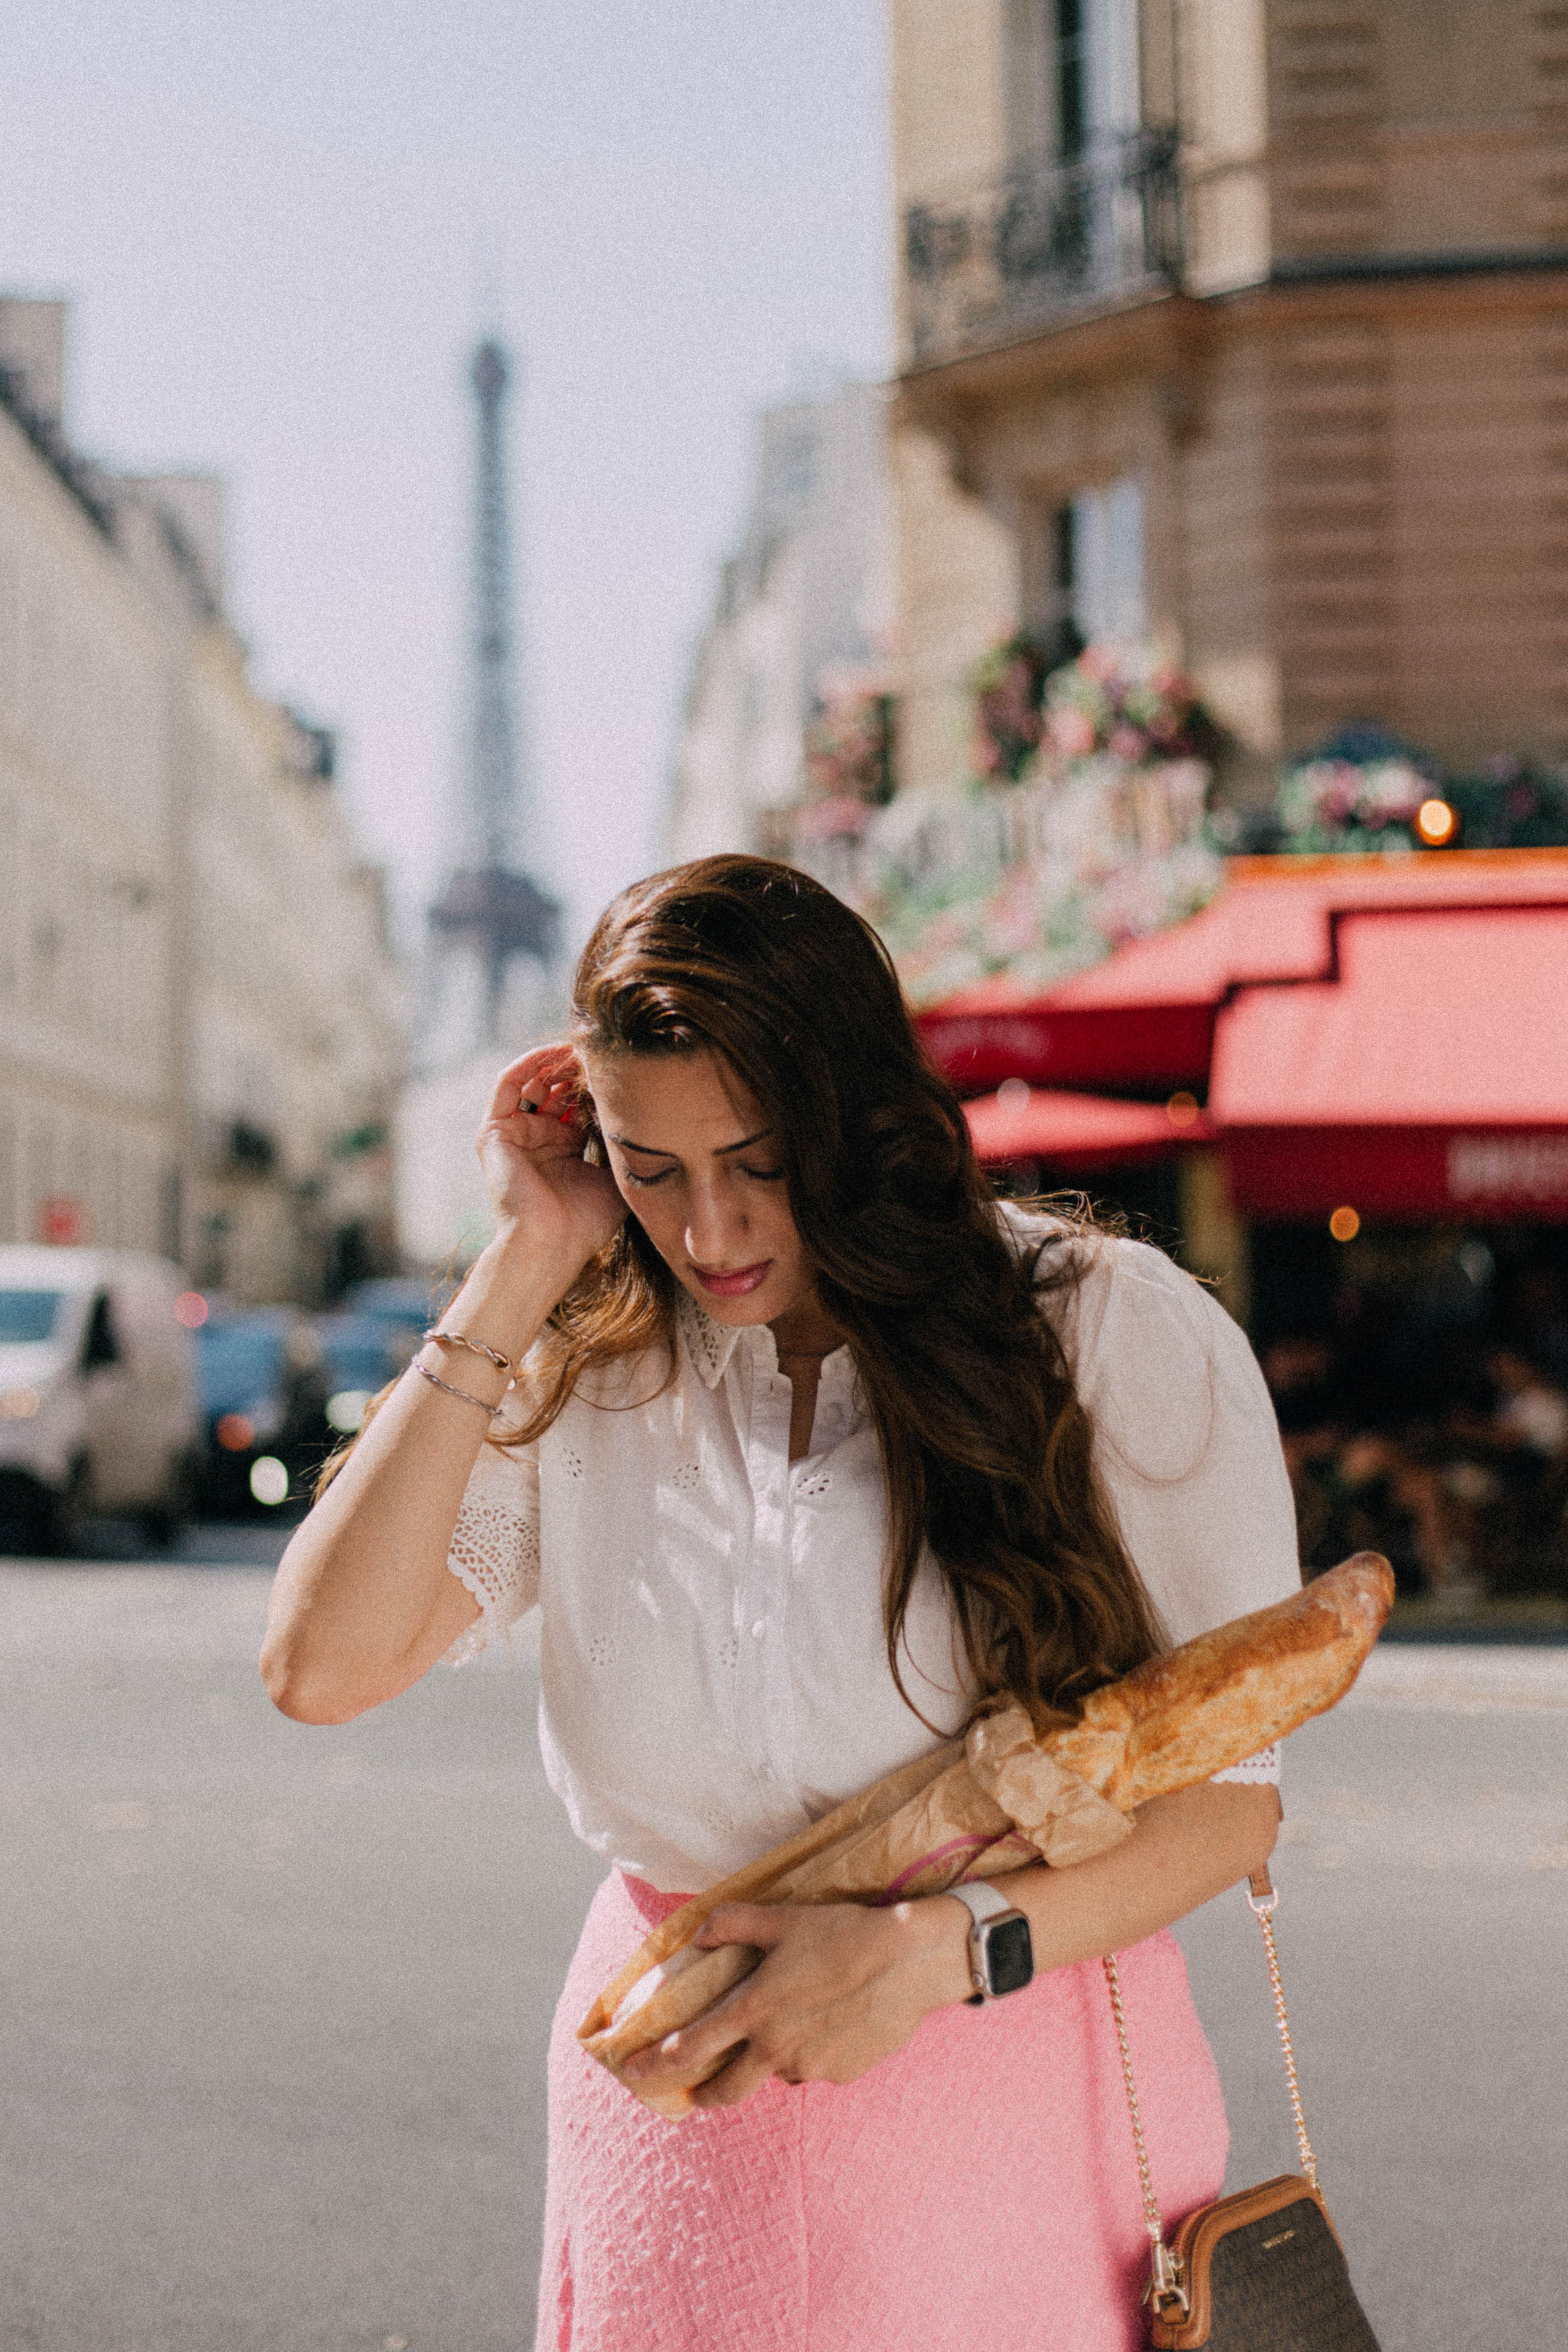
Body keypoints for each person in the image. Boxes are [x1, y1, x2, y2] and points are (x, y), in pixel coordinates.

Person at [262, 857, 1295, 2352]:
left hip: (1003, 2071)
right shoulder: (592, 1357)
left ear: (858, 1119)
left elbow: (1230, 1803)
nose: (713, 1231)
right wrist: (525, 1258)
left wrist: (936, 1952)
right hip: (680, 2114)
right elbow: (320, 1666)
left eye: (757, 1160)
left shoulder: (1099, 1332)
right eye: (651, 1167)